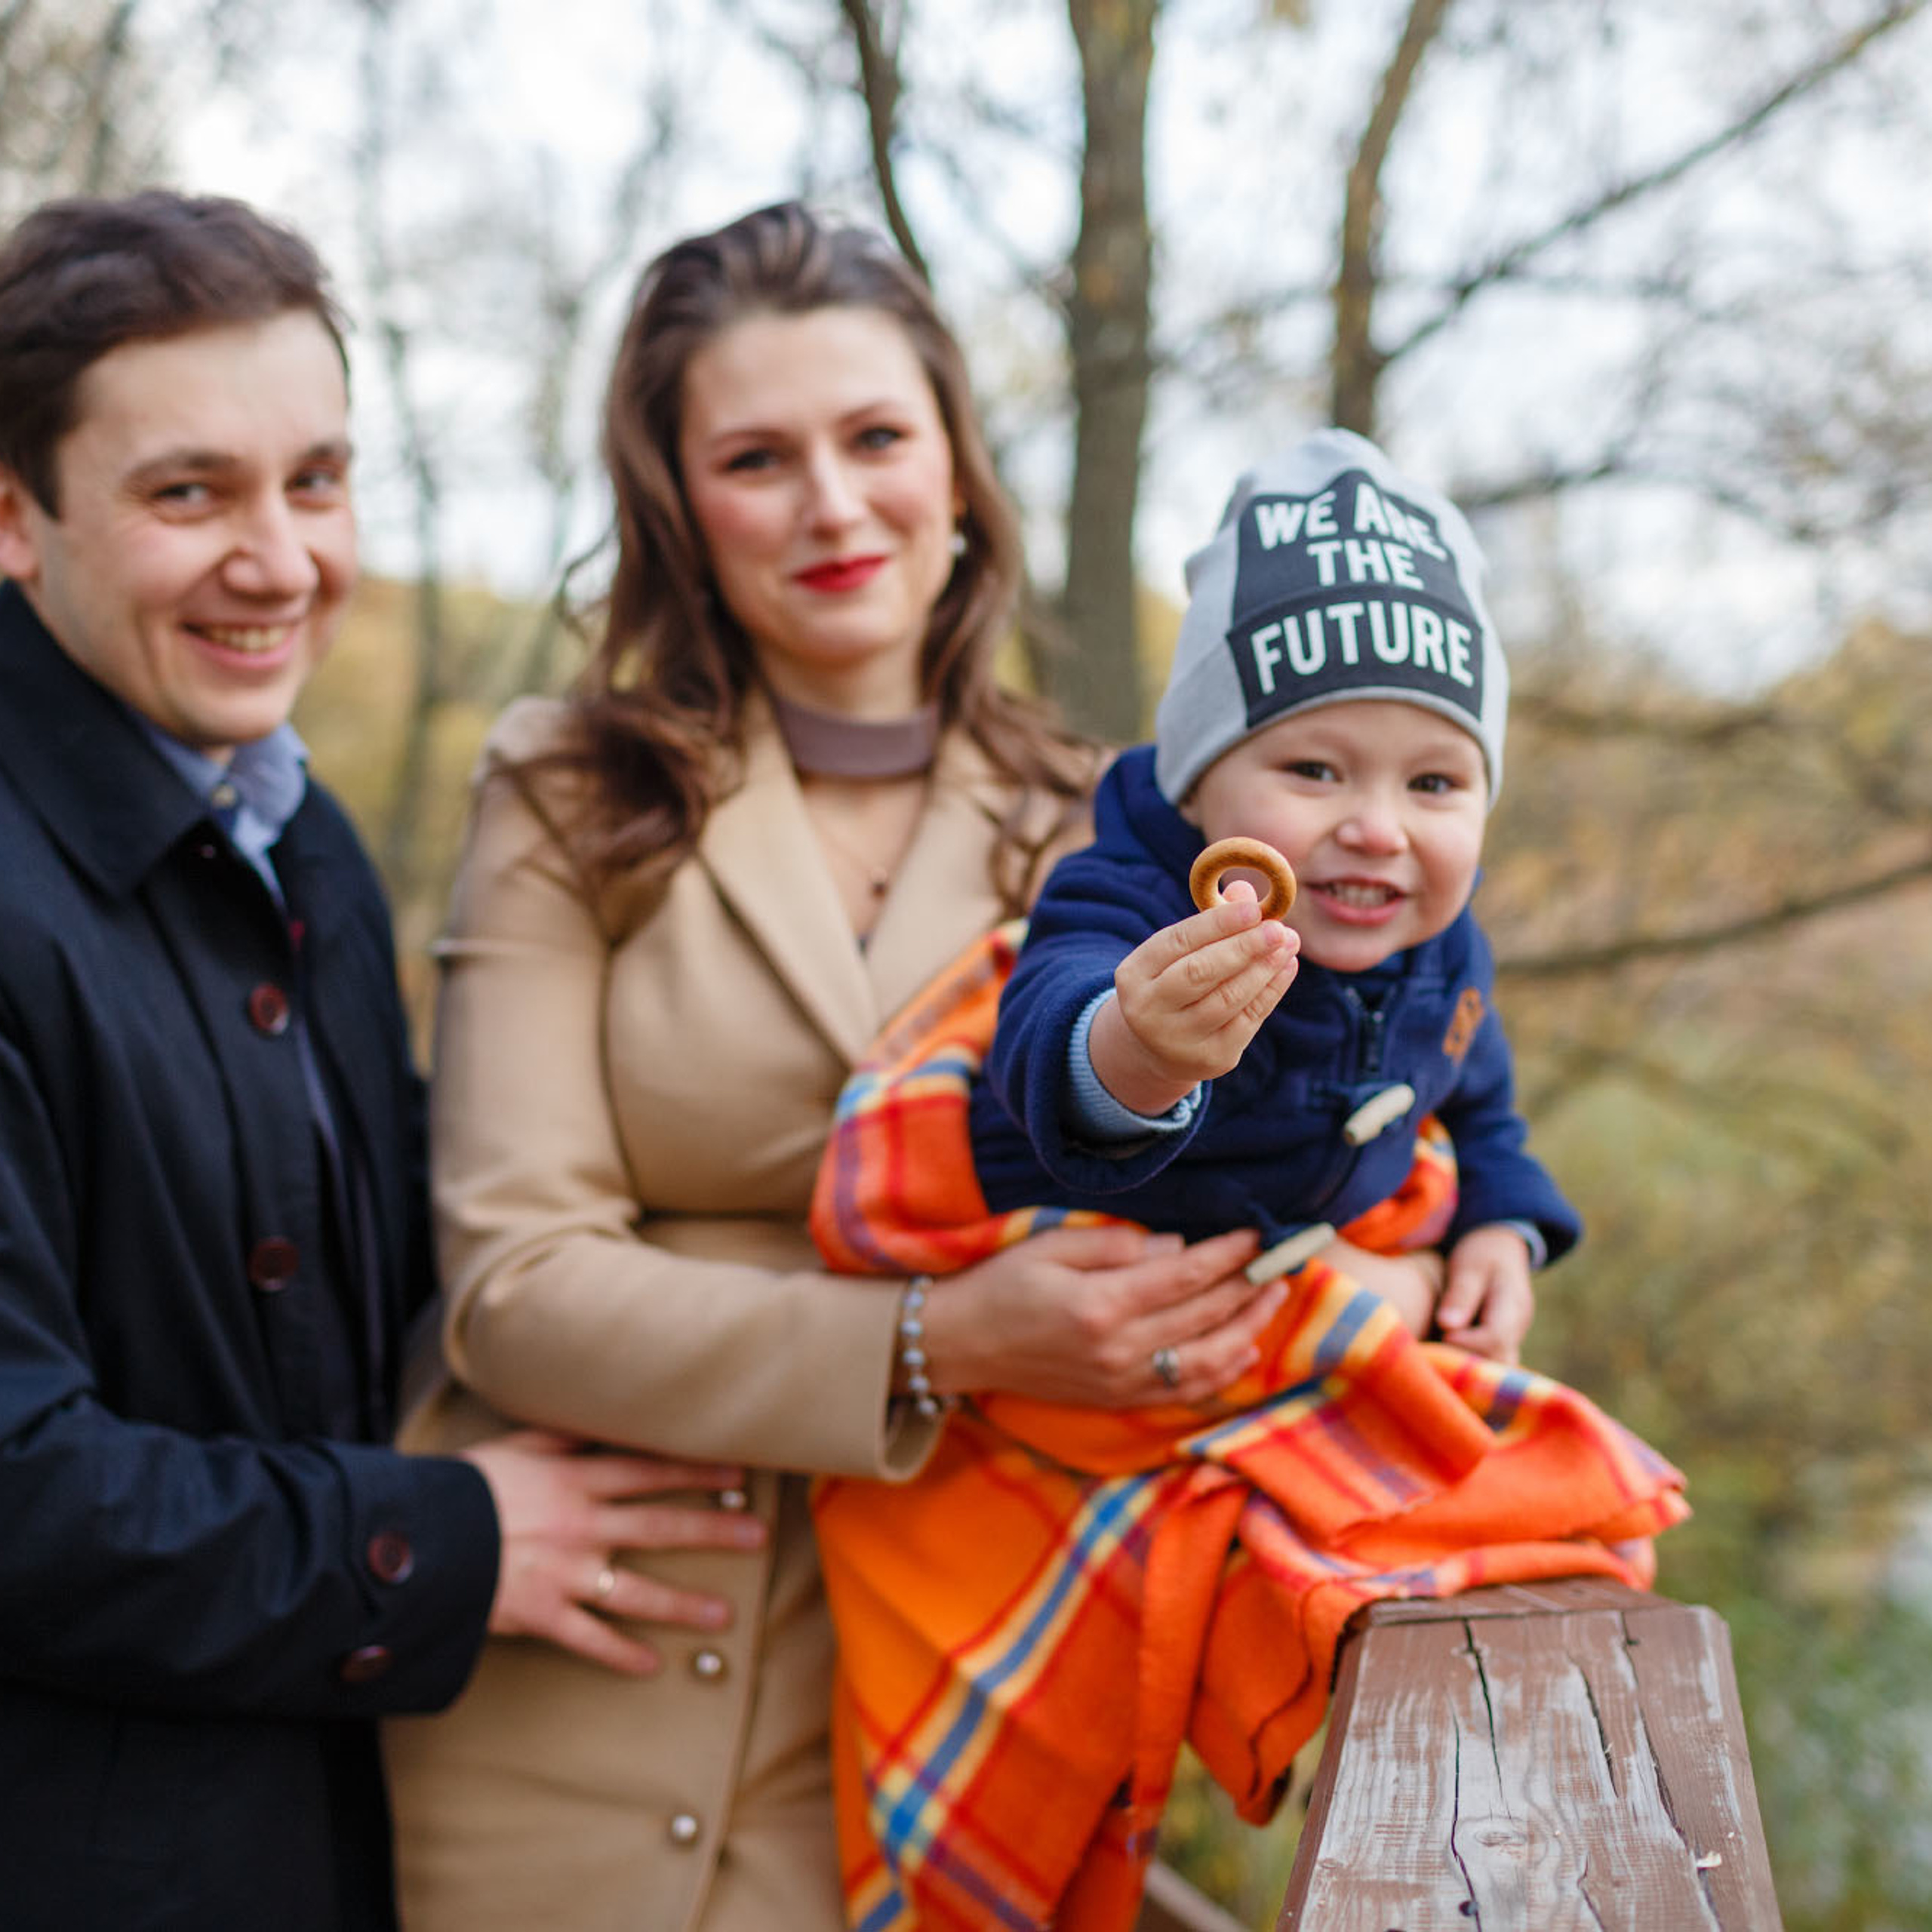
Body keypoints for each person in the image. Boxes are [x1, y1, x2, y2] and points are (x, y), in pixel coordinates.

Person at [380, 199, 1284, 1932]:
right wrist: (929, 1334)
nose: (830, 503)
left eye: (874, 435)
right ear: (676, 505)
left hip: (955, 1688)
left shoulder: (1113, 823)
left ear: (954, 464)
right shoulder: (567, 788)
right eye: (754, 456)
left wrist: (1485, 1223)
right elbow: (515, 1284)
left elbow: (1266, 1179)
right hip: (589, 1675)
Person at [0, 189, 761, 1932]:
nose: (279, 560)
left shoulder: (296, 840)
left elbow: (427, 1231)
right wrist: (448, 1540)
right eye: (187, 491)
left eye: (316, 480)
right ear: (15, 517)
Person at [973, 426, 1581, 1360]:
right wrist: (1136, 1049)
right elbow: (1047, 1018)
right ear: (1196, 782)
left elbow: (1483, 1107)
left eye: (1433, 784)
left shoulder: (1444, 949)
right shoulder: (1134, 896)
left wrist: (1501, 1227)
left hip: (1300, 1309)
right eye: (1313, 768)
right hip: (1098, 1313)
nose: (1379, 829)